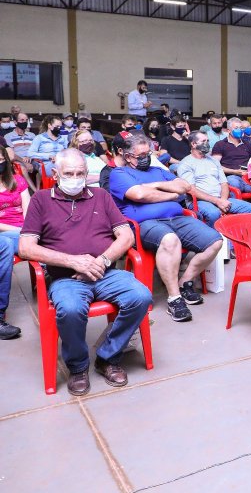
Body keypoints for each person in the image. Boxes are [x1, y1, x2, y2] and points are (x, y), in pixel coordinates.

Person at [19, 148, 153, 395]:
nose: (75, 178)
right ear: (56, 174)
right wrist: (74, 262)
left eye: (80, 173)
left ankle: (108, 357)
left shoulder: (100, 196)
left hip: (106, 271)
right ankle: (78, 367)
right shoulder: (41, 200)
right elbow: (26, 248)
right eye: (68, 173)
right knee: (70, 309)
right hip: (66, 277)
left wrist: (101, 261)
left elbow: (126, 235)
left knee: (140, 296)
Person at [109, 133, 223, 322]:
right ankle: (174, 298)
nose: (146, 158)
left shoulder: (158, 171)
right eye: (141, 155)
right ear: (128, 157)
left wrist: (156, 185)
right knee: (170, 240)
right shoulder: (119, 174)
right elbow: (138, 195)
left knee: (215, 241)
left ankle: (184, 282)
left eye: (148, 153)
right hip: (145, 224)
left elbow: (184, 187)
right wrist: (169, 193)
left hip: (177, 218)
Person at [178, 131, 251, 234]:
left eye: (208, 140)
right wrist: (217, 202)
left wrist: (222, 201)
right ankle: (214, 242)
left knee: (250, 209)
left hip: (221, 199)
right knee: (213, 213)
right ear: (193, 144)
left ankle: (237, 240)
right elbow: (192, 190)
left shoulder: (213, 161)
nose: (207, 143)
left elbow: (224, 183)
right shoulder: (186, 163)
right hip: (199, 201)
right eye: (203, 141)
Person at [0, 146, 30, 339]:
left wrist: (29, 229)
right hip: (5, 232)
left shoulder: (17, 180)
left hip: (24, 229)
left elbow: (28, 209)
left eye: (0, 159)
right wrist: (22, 232)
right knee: (6, 244)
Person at [211, 117, 251, 193]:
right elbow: (215, 166)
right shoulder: (220, 144)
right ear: (229, 130)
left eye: (240, 128)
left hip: (247, 176)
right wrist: (234, 171)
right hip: (230, 176)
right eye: (236, 128)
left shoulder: (247, 144)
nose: (239, 130)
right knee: (234, 183)